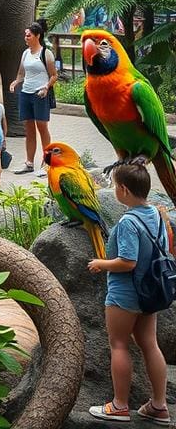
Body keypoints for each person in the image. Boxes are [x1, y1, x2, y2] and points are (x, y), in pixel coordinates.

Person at [87, 160, 170, 424]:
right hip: (151, 292)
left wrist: (100, 263)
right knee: (150, 344)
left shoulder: (127, 222)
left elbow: (127, 261)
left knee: (119, 344)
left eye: (113, 186)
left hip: (125, 294)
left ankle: (119, 405)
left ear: (123, 189)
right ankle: (159, 405)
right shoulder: (157, 215)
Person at [8, 20, 58, 174]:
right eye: (25, 35)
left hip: (40, 95)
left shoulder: (46, 53)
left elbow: (54, 75)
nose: (26, 38)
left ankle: (47, 163)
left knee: (42, 127)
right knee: (28, 129)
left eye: (28, 35)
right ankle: (29, 163)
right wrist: (16, 82)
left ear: (37, 36)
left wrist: (46, 87)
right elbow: (22, 73)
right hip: (26, 94)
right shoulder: (25, 53)